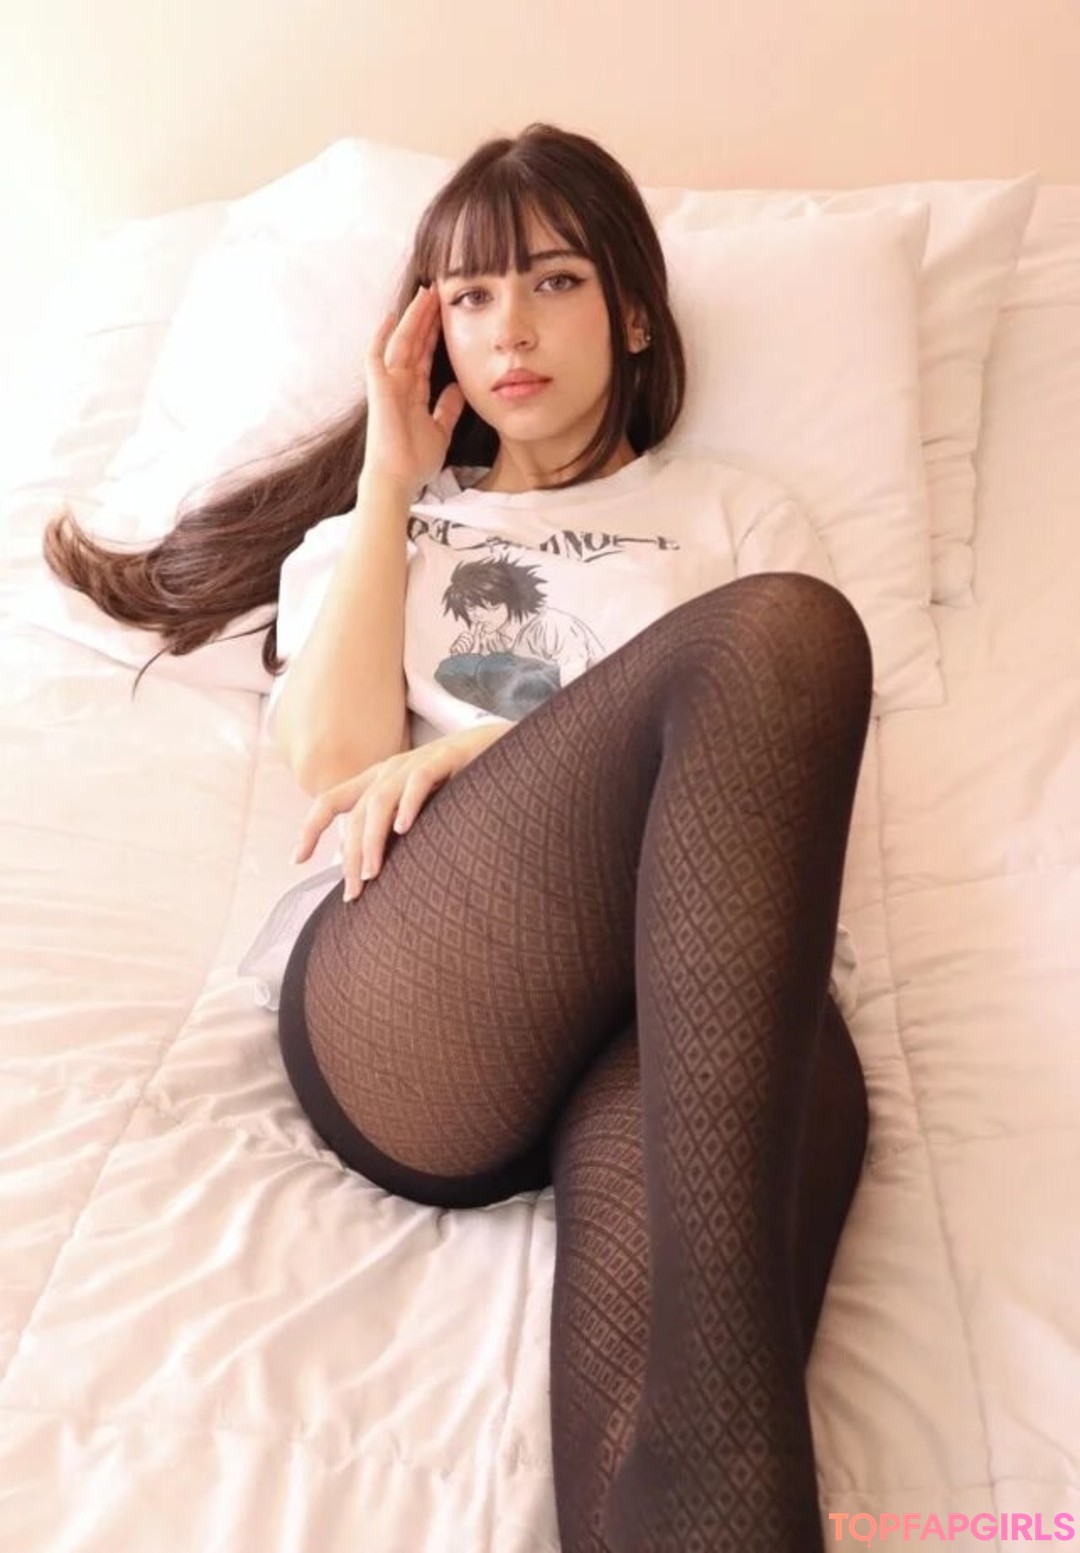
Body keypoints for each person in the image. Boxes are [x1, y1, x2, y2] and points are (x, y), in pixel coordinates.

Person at [44, 123, 873, 1552]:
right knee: (781, 634)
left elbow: (774, 788)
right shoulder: (384, 532)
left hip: (683, 1006)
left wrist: (488, 745)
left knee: (708, 1394)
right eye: (472, 296)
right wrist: (388, 478)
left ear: (630, 311)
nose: (511, 330)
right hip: (429, 987)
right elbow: (341, 764)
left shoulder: (736, 513)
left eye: (553, 281)